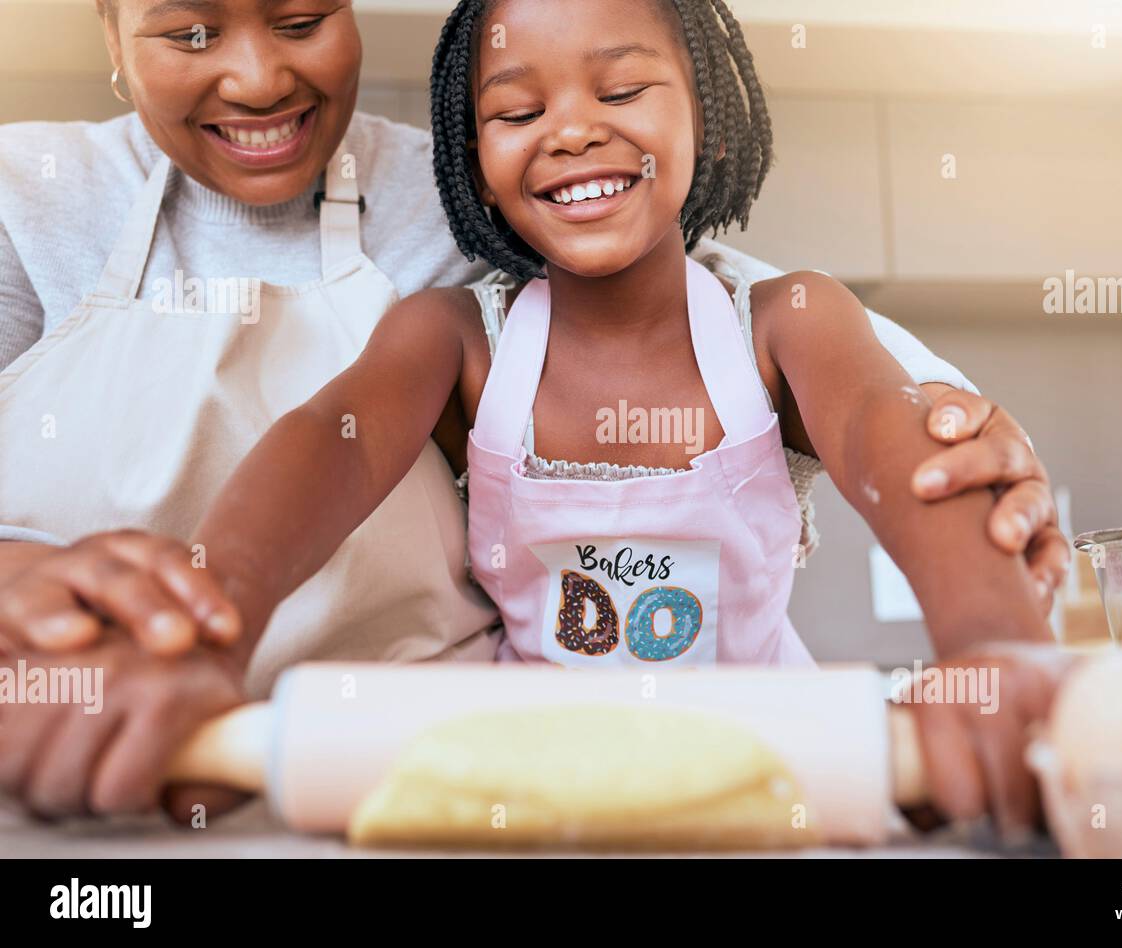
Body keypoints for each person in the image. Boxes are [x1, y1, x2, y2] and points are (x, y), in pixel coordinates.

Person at [0, 0, 1067, 820]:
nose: (569, 133)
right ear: (474, 173)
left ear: (718, 122)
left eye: (623, 93)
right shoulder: (450, 335)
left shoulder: (787, 317)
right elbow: (331, 443)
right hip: (501, 773)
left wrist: (994, 645)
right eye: (517, 112)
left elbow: (901, 441)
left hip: (772, 766)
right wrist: (208, 628)